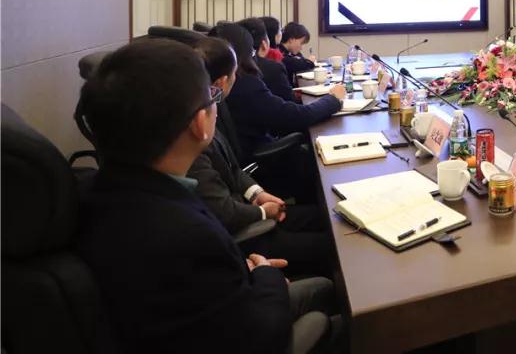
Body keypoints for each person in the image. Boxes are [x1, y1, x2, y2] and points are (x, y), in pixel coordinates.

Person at [76, 38, 337, 354]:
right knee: (331, 305)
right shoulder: (189, 235)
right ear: (200, 123)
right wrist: (266, 275)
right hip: (243, 326)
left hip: (194, 318)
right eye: (211, 97)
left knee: (322, 284)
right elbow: (261, 338)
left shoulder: (95, 190)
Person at [189, 36, 335, 278]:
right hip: (243, 234)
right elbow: (223, 212)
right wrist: (263, 212)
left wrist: (256, 194)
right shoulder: (192, 137)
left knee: (330, 217)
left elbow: (232, 168)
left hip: (248, 207)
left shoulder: (214, 108)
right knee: (334, 245)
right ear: (223, 81)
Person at [214, 23, 344, 162]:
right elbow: (297, 116)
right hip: (264, 161)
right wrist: (333, 99)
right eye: (251, 53)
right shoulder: (245, 85)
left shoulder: (211, 84)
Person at [239, 17, 294, 102]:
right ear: (264, 44)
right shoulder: (273, 67)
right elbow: (288, 100)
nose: (281, 33)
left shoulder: (235, 67)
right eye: (280, 30)